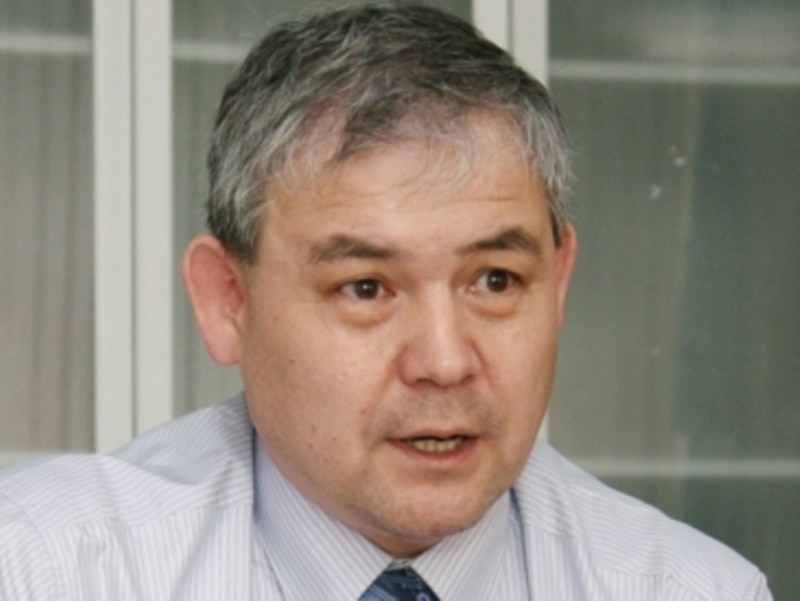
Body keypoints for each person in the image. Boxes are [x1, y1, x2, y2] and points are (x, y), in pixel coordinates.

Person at [0, 3, 772, 599]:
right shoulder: (46, 569)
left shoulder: (690, 588)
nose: (444, 361)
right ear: (227, 299)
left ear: (559, 280)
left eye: (495, 280)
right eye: (366, 287)